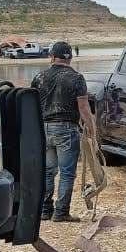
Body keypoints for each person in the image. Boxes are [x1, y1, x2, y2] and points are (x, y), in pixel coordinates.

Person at [31, 41, 95, 222]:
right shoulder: (76, 78)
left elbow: (32, 105)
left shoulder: (39, 77)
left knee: (48, 171)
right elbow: (83, 107)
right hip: (67, 128)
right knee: (67, 172)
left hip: (43, 128)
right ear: (70, 57)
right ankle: (61, 212)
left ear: (51, 56)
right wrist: (91, 129)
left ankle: (44, 210)